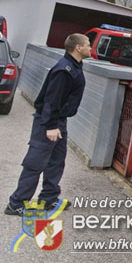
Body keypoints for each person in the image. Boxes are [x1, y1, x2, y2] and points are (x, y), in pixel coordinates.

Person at [5, 33, 91, 215]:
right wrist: (51, 125)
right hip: (49, 122)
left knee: (56, 161)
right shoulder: (64, 70)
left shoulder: (74, 66)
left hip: (59, 121)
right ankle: (17, 203)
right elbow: (51, 100)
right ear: (78, 47)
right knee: (35, 163)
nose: (90, 48)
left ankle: (49, 199)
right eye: (88, 45)